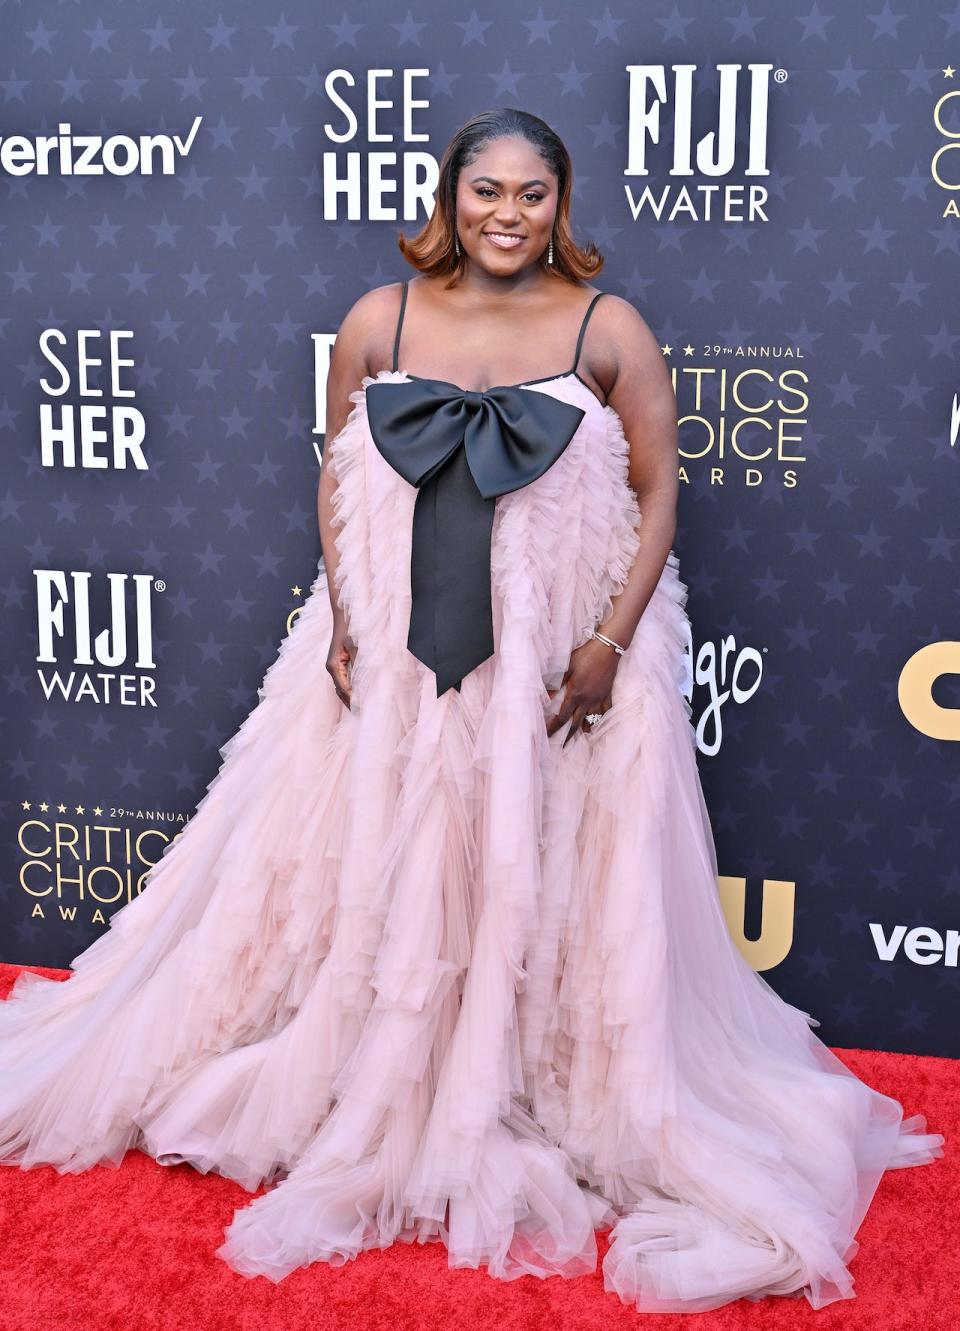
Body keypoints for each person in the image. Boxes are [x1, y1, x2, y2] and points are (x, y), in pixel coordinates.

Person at [0, 107, 943, 1315]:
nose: (508, 214)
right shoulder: (376, 322)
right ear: (451, 198)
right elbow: (336, 483)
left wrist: (607, 646)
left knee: (540, 881)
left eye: (533, 194)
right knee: (369, 869)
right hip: (392, 666)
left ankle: (520, 1080)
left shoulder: (611, 329)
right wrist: (344, 622)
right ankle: (367, 1075)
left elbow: (659, 499)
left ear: (565, 206)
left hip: (561, 678)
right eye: (486, 190)